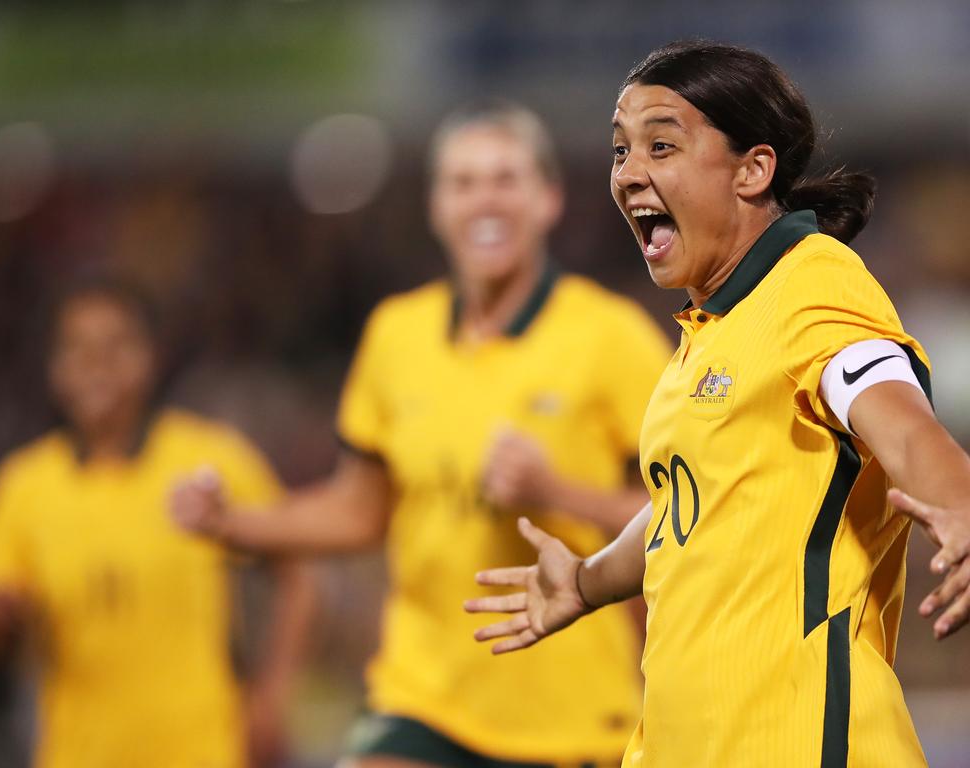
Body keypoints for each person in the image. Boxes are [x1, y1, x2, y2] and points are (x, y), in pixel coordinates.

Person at [465, 41, 970, 768]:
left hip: (799, 744)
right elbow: (692, 510)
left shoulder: (815, 286)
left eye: (661, 145)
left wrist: (956, 499)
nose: (629, 173)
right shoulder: (711, 332)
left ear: (753, 169)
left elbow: (902, 421)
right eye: (619, 150)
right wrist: (584, 580)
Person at [172, 102, 671, 768]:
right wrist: (234, 524)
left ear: (547, 199)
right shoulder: (395, 335)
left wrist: (558, 491)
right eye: (463, 183)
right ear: (436, 206)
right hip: (422, 694)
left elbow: (683, 513)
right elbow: (358, 509)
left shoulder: (611, 337)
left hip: (570, 709)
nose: (483, 200)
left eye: (504, 180)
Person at [0, 278, 313, 768]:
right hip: (76, 754)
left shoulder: (209, 460)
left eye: (115, 344)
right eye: (76, 348)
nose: (95, 365)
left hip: (201, 750)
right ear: (53, 367)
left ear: (151, 356)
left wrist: (272, 696)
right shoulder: (25, 485)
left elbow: (296, 571)